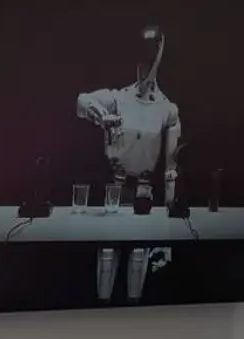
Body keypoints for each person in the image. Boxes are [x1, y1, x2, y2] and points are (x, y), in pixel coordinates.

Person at [76, 26, 182, 205]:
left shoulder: (167, 109)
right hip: (115, 190)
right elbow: (82, 101)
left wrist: (170, 206)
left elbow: (170, 170)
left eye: (152, 49)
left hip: (144, 193)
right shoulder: (119, 98)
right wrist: (101, 116)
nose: (145, 65)